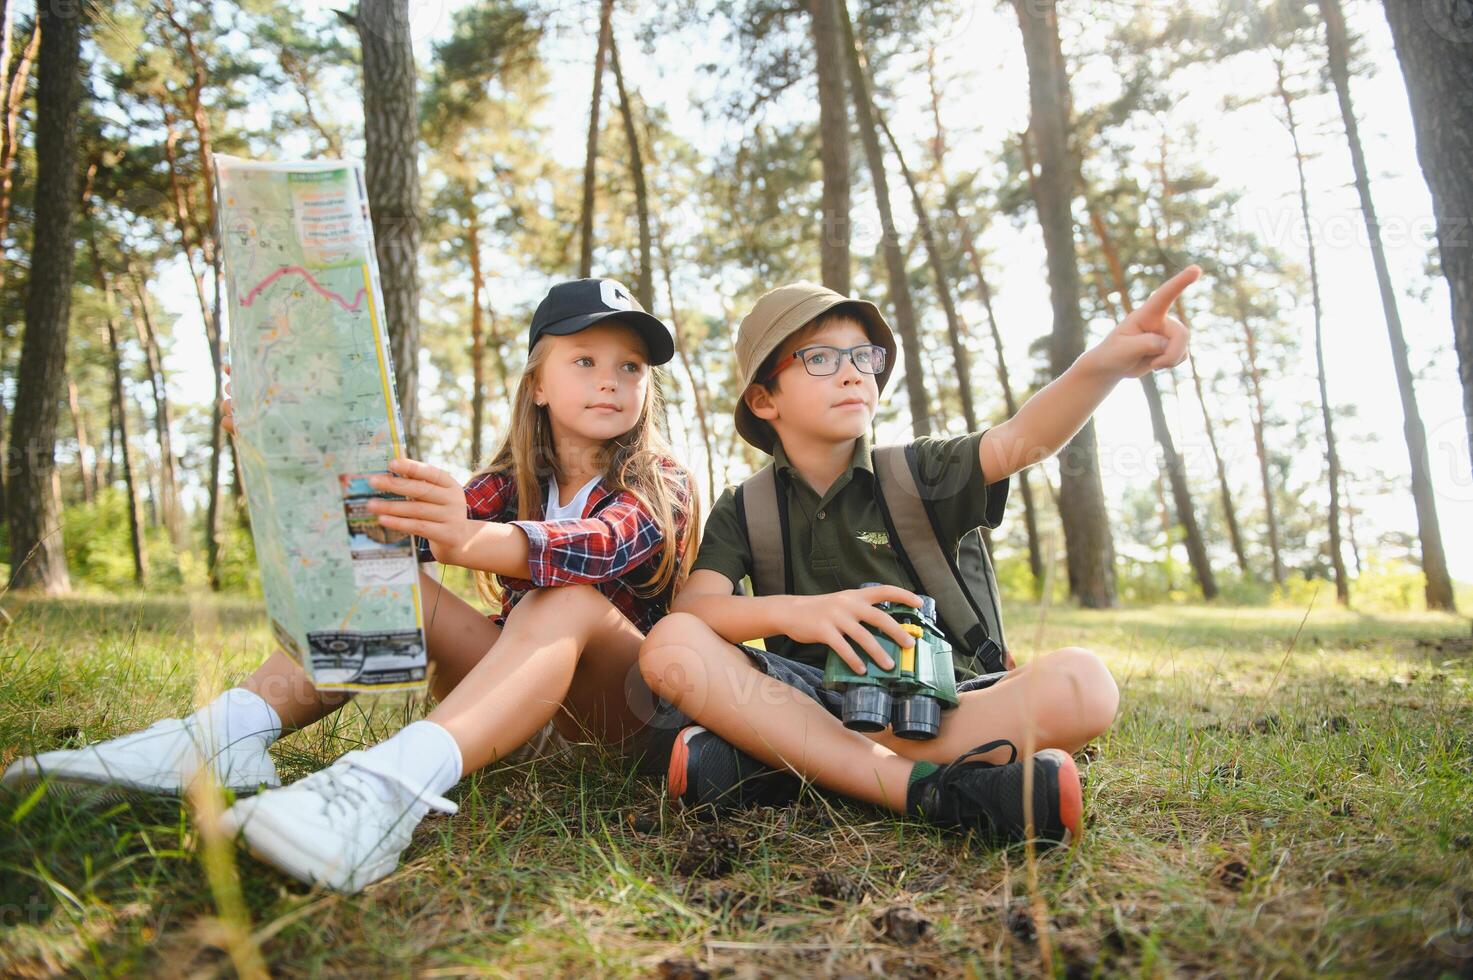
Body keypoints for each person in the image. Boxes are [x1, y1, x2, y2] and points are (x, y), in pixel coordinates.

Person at [4, 278, 700, 893]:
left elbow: (598, 551)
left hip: (623, 723)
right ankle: (221, 737)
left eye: (629, 367)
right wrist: (275, 447)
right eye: (584, 360)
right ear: (538, 384)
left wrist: (467, 540)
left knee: (566, 597)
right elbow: (367, 533)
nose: (609, 380)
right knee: (388, 576)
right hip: (519, 713)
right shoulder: (511, 483)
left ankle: (391, 788)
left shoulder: (658, 481)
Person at [640, 268, 1200, 846]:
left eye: (864, 356)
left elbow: (1022, 437)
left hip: (942, 703)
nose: (854, 372)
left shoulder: (917, 471)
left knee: (1085, 683)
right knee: (670, 644)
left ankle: (783, 767)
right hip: (810, 697)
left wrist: (1102, 363)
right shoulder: (746, 506)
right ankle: (941, 793)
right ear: (763, 399)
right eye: (821, 359)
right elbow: (697, 607)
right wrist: (797, 614)